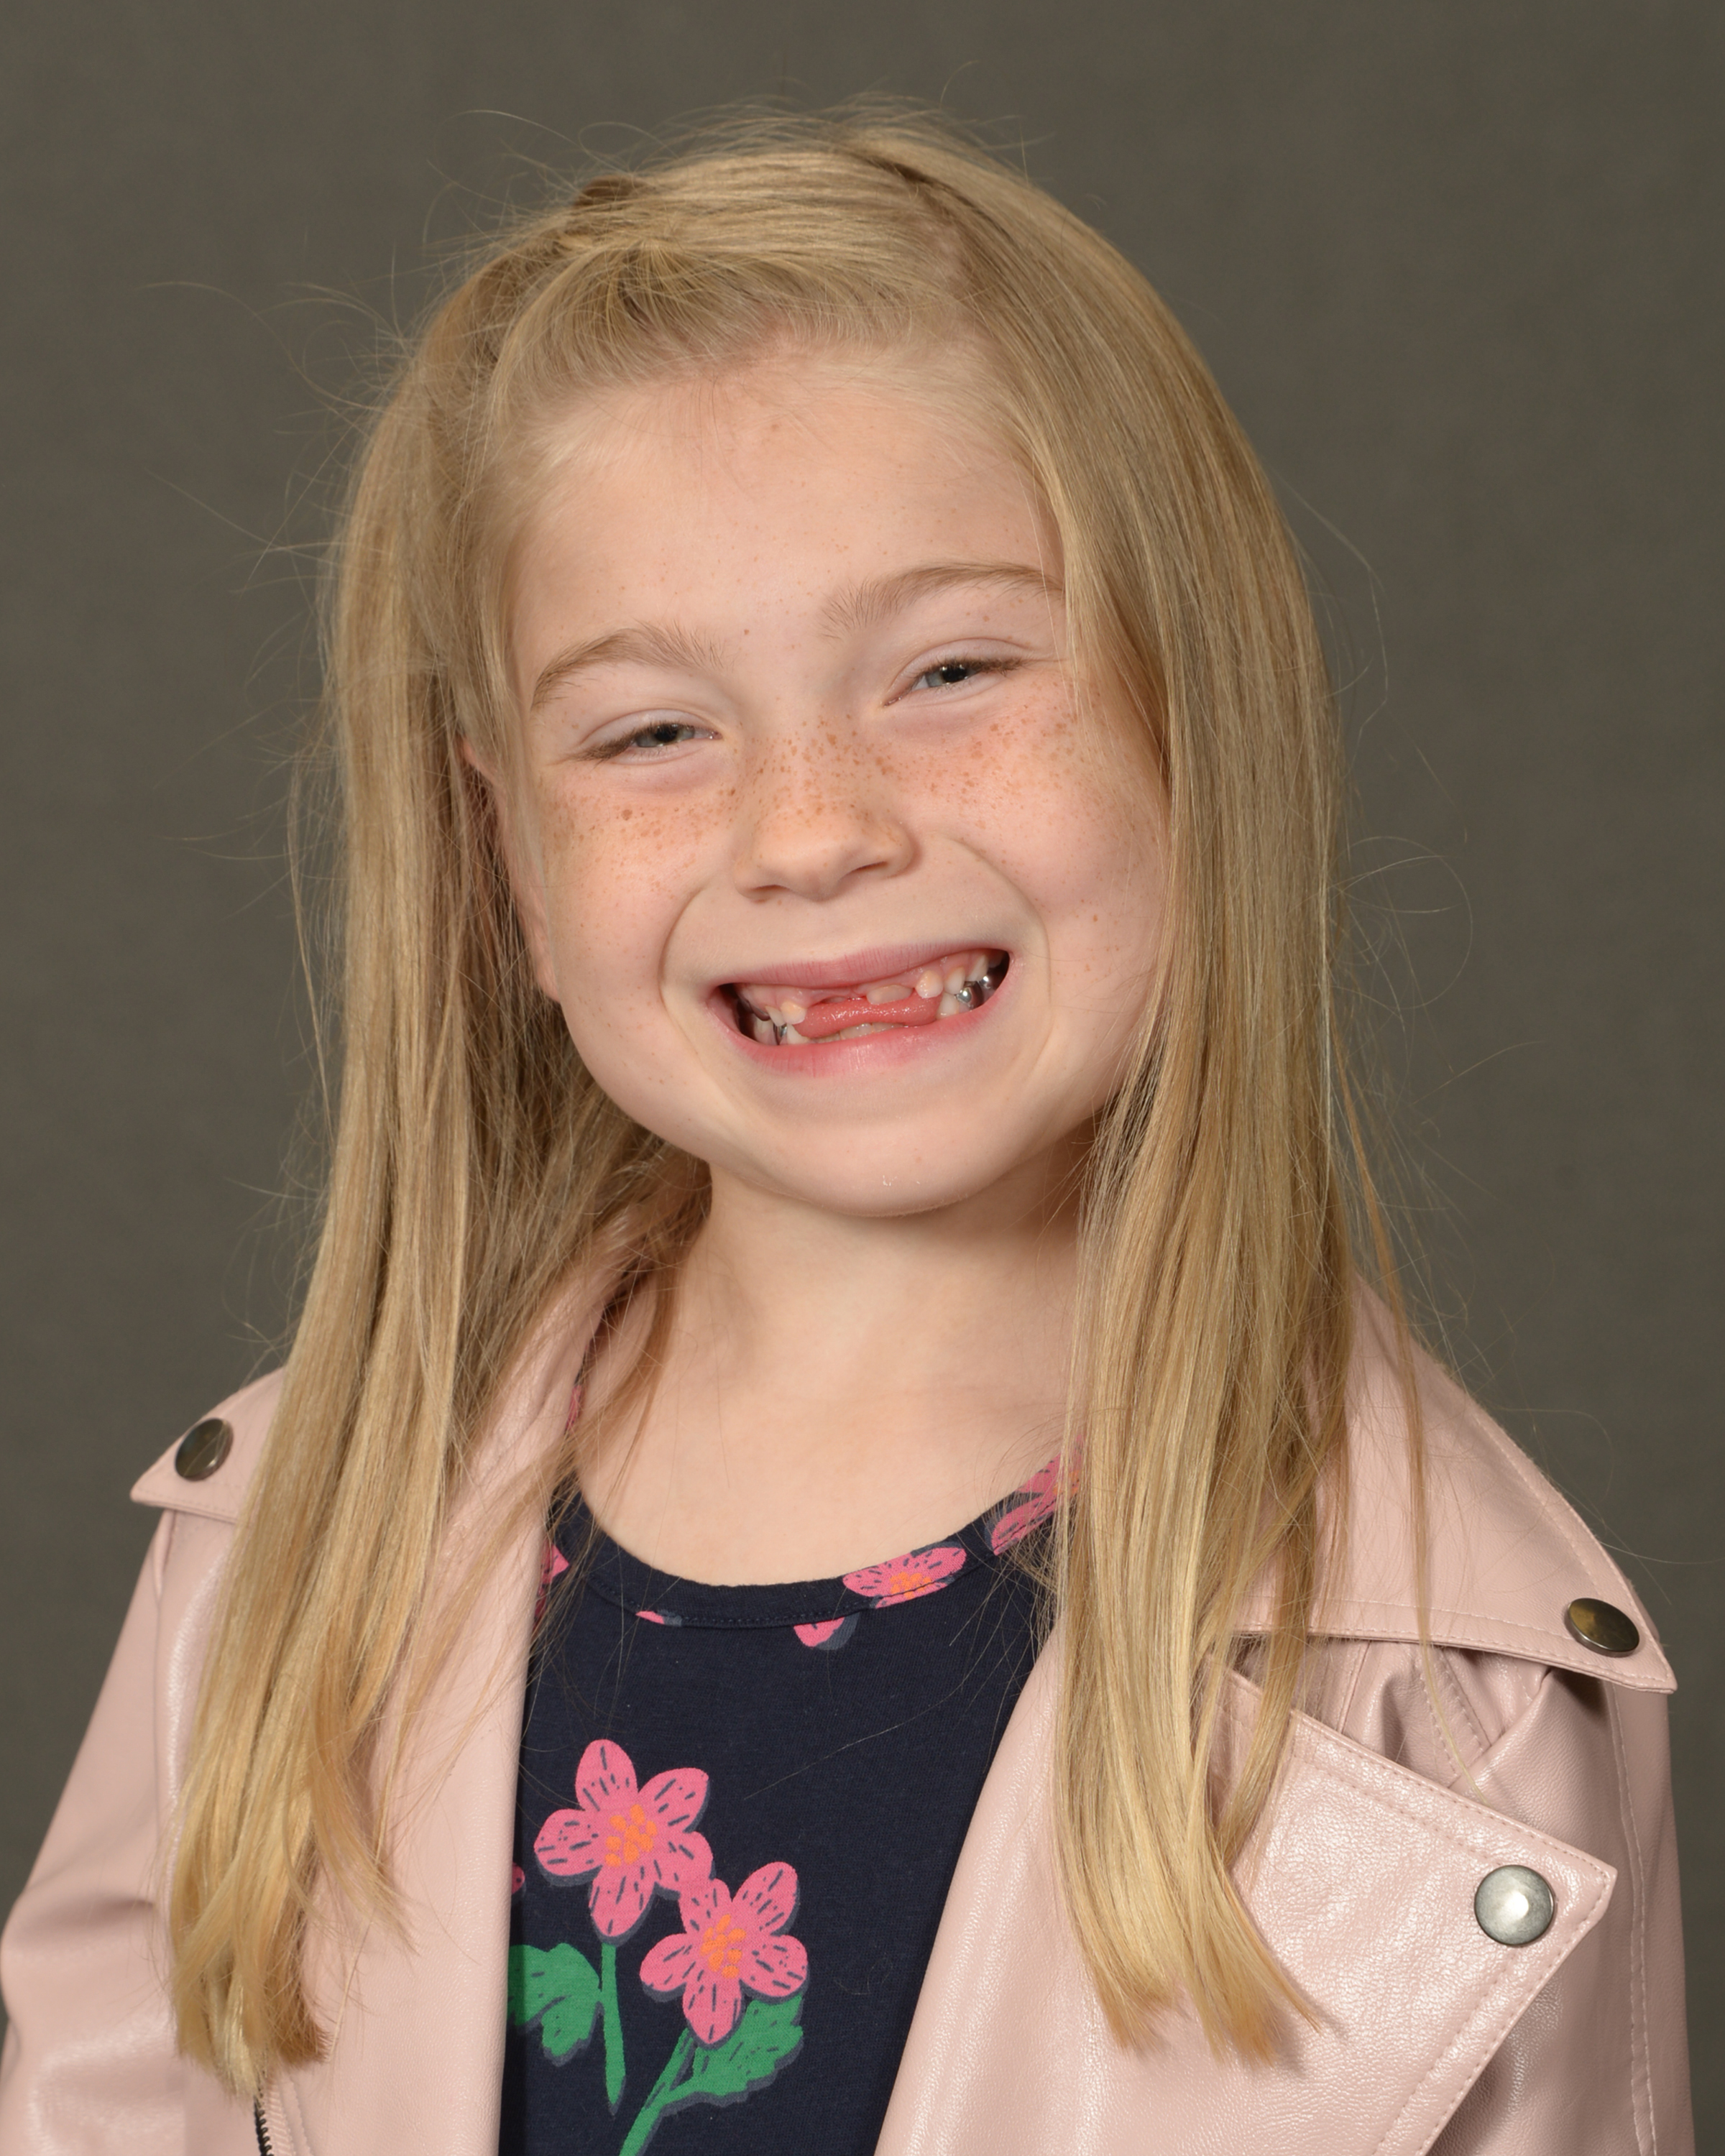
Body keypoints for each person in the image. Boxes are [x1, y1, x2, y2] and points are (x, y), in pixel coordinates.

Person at [0, 109, 1693, 2156]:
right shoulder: (286, 1559)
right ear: (505, 859)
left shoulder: (1445, 1702)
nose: (811, 830)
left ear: (1200, 713)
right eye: (651, 730)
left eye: (951, 669)